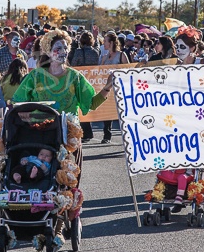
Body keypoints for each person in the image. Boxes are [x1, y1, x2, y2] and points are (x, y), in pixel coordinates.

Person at [13, 29, 114, 179]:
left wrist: (107, 87)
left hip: (69, 142)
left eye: (66, 48)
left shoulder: (75, 77)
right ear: (47, 52)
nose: (63, 52)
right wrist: (32, 116)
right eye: (58, 49)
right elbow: (17, 104)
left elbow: (91, 104)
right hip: (40, 141)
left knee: (67, 188)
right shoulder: (35, 76)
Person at [98, 33, 129, 144]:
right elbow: (100, 72)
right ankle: (107, 135)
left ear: (111, 43)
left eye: (105, 41)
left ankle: (129, 136)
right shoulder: (104, 57)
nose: (104, 43)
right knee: (107, 112)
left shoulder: (121, 55)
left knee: (123, 114)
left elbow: (128, 70)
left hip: (119, 89)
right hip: (108, 89)